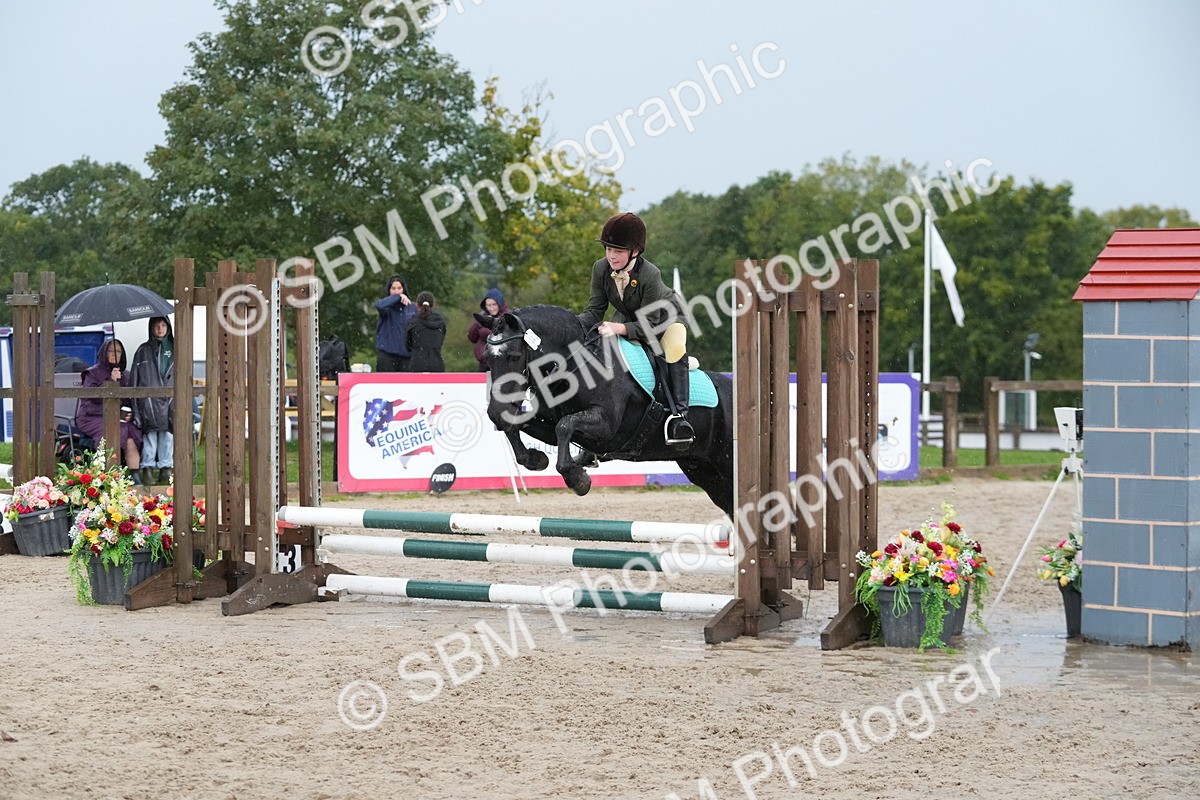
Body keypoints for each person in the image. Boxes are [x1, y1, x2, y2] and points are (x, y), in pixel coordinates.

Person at [577, 212, 695, 446]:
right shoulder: (600, 268)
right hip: (630, 316)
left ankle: (680, 419)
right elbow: (594, 310)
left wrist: (618, 328)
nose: (611, 256)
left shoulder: (651, 274)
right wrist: (573, 326)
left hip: (666, 319)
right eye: (608, 249)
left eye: (618, 251)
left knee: (672, 348)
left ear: (635, 252)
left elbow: (650, 325)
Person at [75, 339, 143, 483]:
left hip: (119, 418)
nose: (114, 354)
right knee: (111, 431)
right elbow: (90, 400)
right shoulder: (91, 373)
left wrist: (130, 413)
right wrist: (111, 381)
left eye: (118, 351)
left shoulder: (127, 375)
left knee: (131, 432)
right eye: (111, 350)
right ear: (104, 353)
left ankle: (135, 475)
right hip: (92, 416)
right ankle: (110, 475)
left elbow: (131, 400)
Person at [130, 316, 175, 486]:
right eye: (156, 325)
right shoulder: (143, 350)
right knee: (150, 437)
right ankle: (147, 468)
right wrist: (135, 404)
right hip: (148, 402)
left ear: (168, 327)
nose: (160, 329)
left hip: (170, 401)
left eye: (163, 325)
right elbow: (134, 378)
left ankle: (166, 468)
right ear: (151, 328)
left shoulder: (176, 348)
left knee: (168, 436)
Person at [375, 274, 416, 372]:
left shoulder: (412, 307)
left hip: (407, 357)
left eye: (399, 288)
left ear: (404, 289)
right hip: (387, 356)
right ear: (389, 290)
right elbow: (379, 305)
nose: (396, 291)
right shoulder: (386, 308)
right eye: (393, 288)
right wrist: (397, 297)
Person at [466, 288, 508, 371]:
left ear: (500, 304)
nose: (491, 308)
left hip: (502, 364)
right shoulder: (482, 318)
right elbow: (472, 337)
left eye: (494, 304)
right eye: (489, 305)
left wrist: (485, 328)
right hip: (484, 364)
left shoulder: (508, 317)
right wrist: (478, 322)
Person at [407, 291, 446, 372]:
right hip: (436, 363)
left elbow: (407, 346)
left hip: (417, 364)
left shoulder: (412, 322)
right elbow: (440, 341)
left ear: (417, 304)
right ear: (433, 305)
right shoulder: (440, 322)